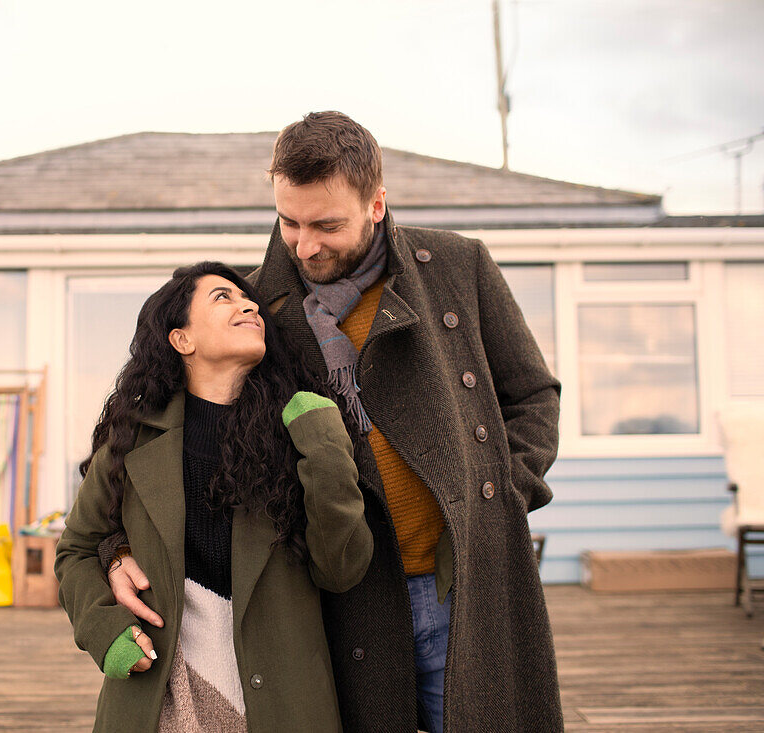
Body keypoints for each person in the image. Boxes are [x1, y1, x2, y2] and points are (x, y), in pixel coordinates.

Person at [100, 112, 564, 732]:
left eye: (327, 225)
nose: (305, 244)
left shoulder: (458, 267)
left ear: (376, 204)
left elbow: (533, 395)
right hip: (347, 603)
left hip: (468, 585)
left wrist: (502, 492)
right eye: (288, 222)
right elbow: (167, 432)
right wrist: (117, 545)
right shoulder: (257, 306)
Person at [55, 261, 373, 732]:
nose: (248, 304)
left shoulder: (300, 432)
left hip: (281, 703)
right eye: (222, 297)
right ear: (182, 340)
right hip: (161, 697)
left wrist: (326, 446)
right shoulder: (132, 441)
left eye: (249, 300)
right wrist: (104, 626)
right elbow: (76, 549)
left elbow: (341, 568)